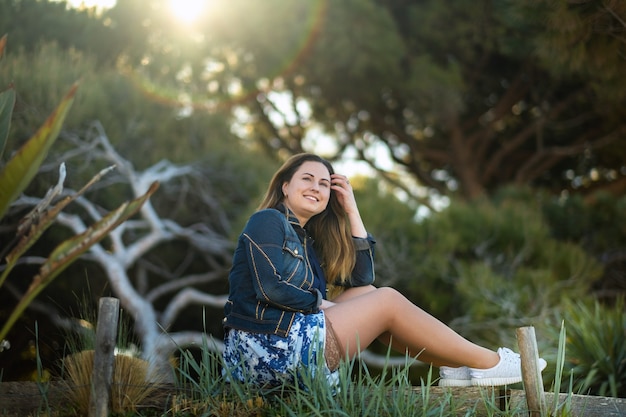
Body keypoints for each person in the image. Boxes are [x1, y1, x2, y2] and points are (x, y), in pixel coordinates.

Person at [222, 153, 546, 388]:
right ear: (284, 187)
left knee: (371, 294)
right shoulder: (268, 220)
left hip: (283, 342)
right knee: (387, 301)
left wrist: (351, 208)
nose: (316, 188)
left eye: (324, 183)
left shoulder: (305, 240)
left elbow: (362, 281)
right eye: (307, 179)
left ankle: (457, 367)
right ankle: (489, 363)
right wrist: (319, 303)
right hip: (266, 348)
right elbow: (271, 288)